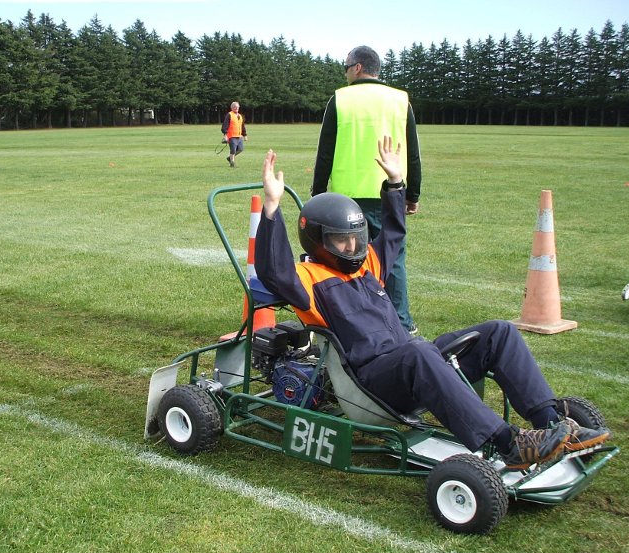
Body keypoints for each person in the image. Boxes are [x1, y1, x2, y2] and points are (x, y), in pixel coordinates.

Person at [255, 136, 610, 470]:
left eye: (356, 238)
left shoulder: (368, 266)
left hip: (410, 366)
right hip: (371, 387)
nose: (352, 248)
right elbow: (274, 271)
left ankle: (553, 427)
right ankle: (510, 443)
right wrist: (272, 208)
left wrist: (395, 184)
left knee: (498, 333)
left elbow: (393, 234)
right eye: (341, 242)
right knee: (420, 352)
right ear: (317, 241)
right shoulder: (309, 280)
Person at [312, 45, 421, 334]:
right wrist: (413, 194)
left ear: (358, 67)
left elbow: (325, 151)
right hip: (390, 191)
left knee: (344, 259)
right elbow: (412, 152)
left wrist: (317, 194)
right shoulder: (401, 100)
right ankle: (402, 322)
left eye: (346, 66)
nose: (345, 72)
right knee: (394, 260)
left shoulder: (340, 99)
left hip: (346, 197)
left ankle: (350, 319)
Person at [221, 101, 247, 168]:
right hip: (232, 136)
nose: (236, 108)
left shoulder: (240, 116)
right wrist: (225, 135)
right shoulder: (229, 115)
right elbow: (225, 125)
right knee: (233, 150)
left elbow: (242, 126)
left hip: (239, 136)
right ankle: (232, 163)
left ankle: (229, 158)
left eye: (237, 107)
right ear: (232, 108)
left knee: (240, 149)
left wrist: (245, 135)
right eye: (235, 107)